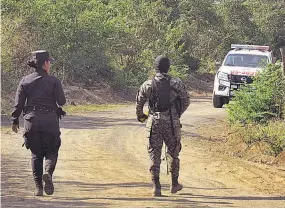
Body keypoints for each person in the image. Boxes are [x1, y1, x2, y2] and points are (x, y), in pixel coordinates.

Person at [11, 50, 66, 196]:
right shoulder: (53, 81)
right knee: (52, 150)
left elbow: (18, 104)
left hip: (31, 121)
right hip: (49, 120)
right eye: (49, 62)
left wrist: (15, 120)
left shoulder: (24, 81)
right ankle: (48, 172)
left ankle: (38, 188)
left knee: (36, 154)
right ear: (45, 64)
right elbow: (62, 101)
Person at [136, 55, 190, 196]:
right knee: (173, 153)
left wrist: (142, 116)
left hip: (154, 123)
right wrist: (177, 115)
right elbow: (186, 101)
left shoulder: (147, 84)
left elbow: (139, 104)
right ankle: (174, 184)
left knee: (154, 154)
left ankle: (156, 187)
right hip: (172, 124)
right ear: (168, 67)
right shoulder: (176, 83)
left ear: (155, 67)